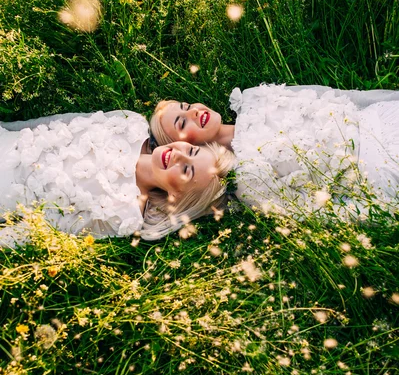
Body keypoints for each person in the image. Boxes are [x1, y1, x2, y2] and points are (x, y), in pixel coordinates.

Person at [150, 85, 399, 219]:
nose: (193, 112)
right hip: (380, 169)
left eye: (186, 106)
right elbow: (318, 211)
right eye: (182, 123)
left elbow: (335, 95)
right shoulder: (248, 179)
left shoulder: (253, 98)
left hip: (382, 116)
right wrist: (384, 212)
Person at [0, 110, 235, 248]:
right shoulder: (131, 123)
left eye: (186, 170)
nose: (178, 155)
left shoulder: (124, 213)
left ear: (177, 196)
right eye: (191, 151)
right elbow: (54, 124)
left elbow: (41, 229)